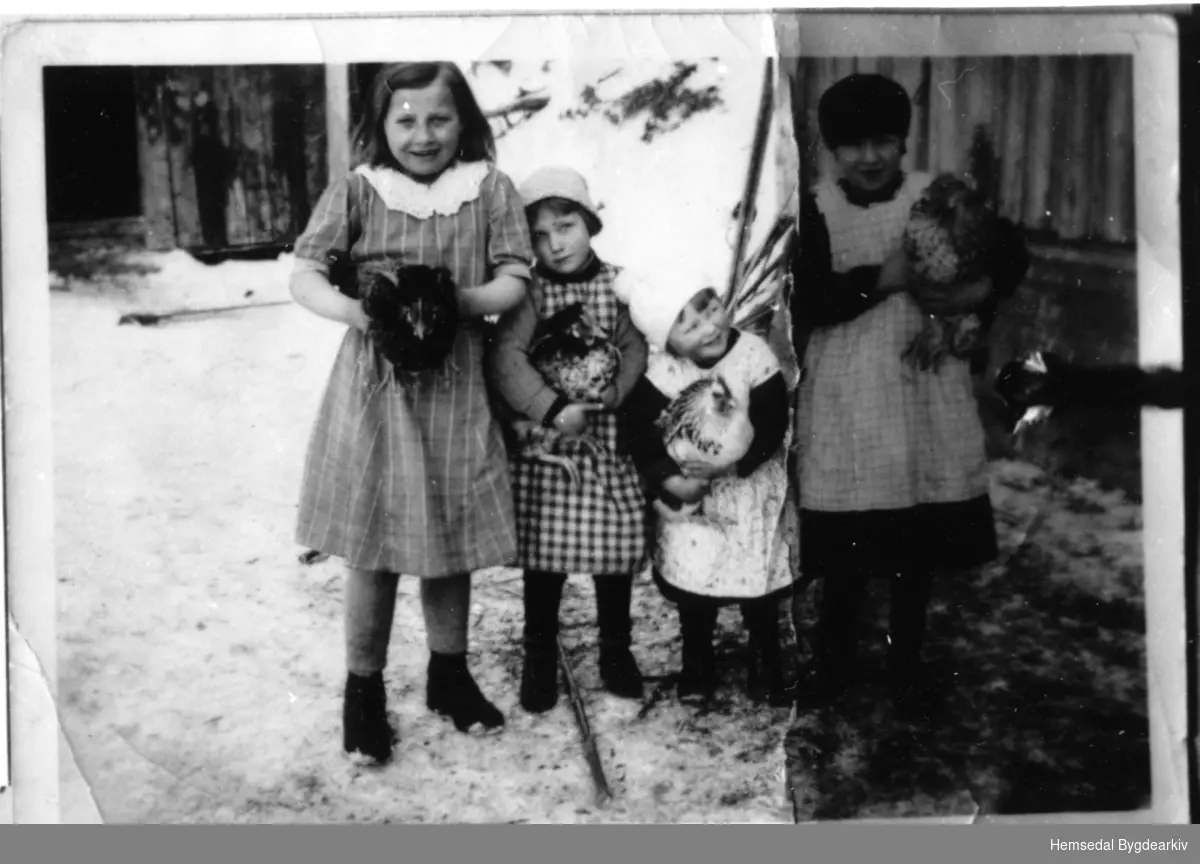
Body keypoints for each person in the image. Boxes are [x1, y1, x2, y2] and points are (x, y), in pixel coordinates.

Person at [289, 61, 533, 764]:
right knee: (374, 543)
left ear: (466, 123)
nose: (423, 135)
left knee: (447, 537)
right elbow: (304, 272)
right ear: (381, 125)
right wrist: (361, 312)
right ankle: (362, 690)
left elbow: (515, 276)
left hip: (455, 382)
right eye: (406, 120)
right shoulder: (361, 190)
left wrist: (460, 303)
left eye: (439, 118)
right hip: (378, 390)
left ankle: (448, 675)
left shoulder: (489, 189)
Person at [789, 73, 1030, 712]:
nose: (868, 156)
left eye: (883, 141)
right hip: (848, 387)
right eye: (852, 145)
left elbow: (1009, 251)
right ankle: (835, 661)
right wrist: (883, 277)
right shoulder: (815, 207)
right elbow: (810, 297)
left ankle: (905, 661)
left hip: (924, 388)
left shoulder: (939, 196)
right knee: (844, 537)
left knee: (914, 536)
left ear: (903, 141)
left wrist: (981, 292)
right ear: (829, 148)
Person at [488, 166, 650, 713]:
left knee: (613, 547)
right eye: (538, 234)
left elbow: (634, 346)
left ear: (590, 224)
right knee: (545, 557)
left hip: (605, 446)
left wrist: (614, 394)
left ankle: (615, 649)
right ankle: (538, 655)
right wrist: (552, 409)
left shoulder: (619, 285)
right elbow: (506, 358)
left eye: (566, 226)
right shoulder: (528, 292)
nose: (554, 244)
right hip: (549, 454)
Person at [624, 280, 795, 705]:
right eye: (688, 324)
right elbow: (639, 433)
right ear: (668, 339)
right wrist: (668, 477)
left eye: (710, 309)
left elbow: (773, 423)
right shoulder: (664, 372)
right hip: (694, 495)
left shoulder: (753, 354)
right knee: (695, 583)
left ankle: (765, 656)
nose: (707, 328)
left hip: (748, 487)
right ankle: (697, 659)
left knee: (759, 580)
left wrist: (741, 463)